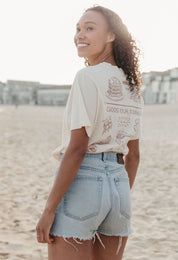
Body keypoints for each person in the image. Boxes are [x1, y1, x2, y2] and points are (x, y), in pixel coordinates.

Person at [36, 5, 144, 260]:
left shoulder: (88, 77)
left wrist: (49, 209)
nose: (80, 35)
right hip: (120, 188)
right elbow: (135, 156)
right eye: (78, 29)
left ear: (111, 36)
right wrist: (116, 195)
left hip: (84, 182)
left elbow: (77, 149)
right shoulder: (133, 86)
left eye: (90, 28)